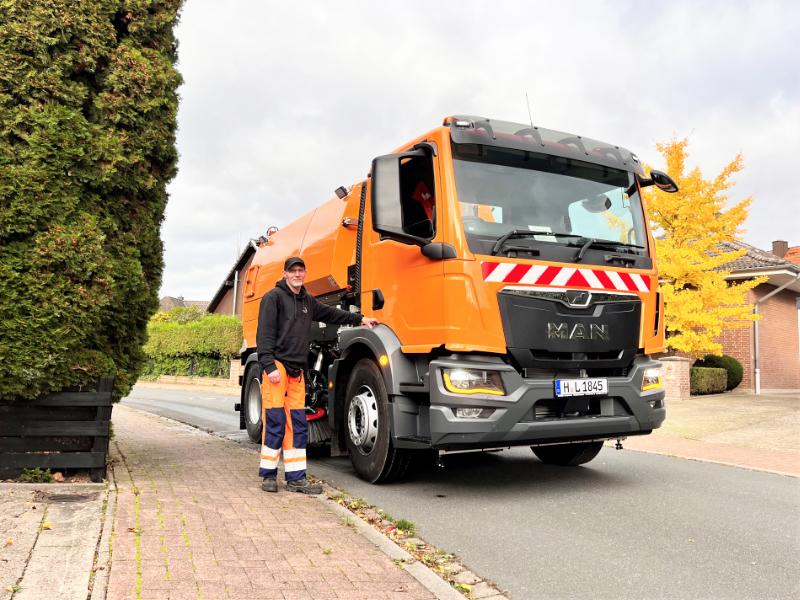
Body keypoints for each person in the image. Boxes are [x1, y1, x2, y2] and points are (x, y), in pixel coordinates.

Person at [256, 256, 379, 493]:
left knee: (298, 424)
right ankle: (269, 476)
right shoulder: (273, 298)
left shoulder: (307, 301)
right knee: (275, 421)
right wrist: (268, 366)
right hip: (277, 368)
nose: (297, 275)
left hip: (297, 371)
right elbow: (265, 335)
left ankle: (295, 478)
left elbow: (331, 314)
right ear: (284, 274)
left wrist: (360, 319)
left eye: (301, 271)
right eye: (293, 271)